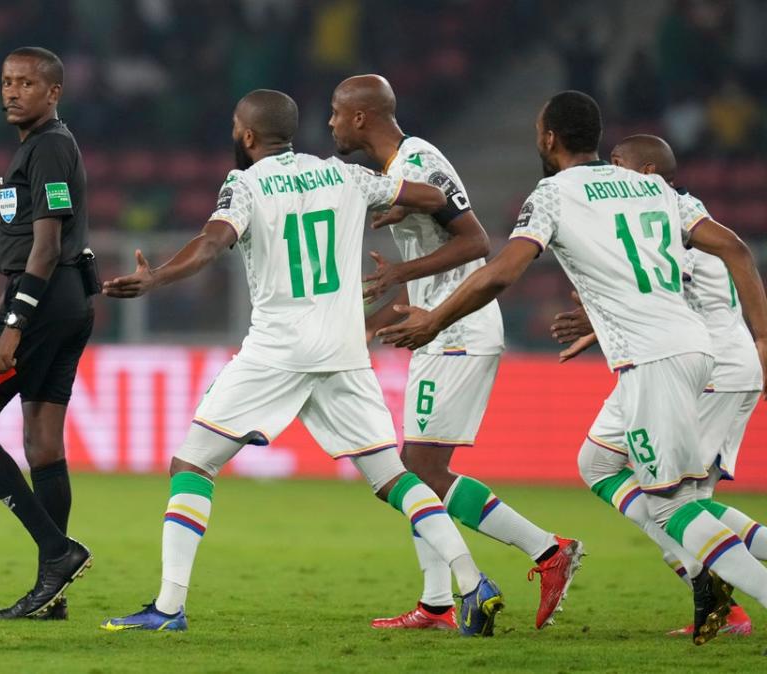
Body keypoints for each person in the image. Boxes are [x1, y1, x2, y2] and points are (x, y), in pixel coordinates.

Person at [99, 89, 504, 635]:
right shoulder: (344, 175)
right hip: (342, 350)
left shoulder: (244, 184)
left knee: (193, 464)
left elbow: (212, 242)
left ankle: (168, 608)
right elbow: (433, 195)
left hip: (278, 350)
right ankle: (472, 580)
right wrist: (409, 204)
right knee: (393, 477)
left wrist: (157, 277)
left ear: (246, 135)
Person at [376, 90, 767, 646]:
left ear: (549, 138)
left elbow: (502, 272)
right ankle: (717, 589)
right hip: (689, 346)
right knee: (603, 464)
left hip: (655, 358)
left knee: (675, 506)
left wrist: (436, 319)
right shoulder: (652, 185)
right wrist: (762, 336)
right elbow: (734, 248)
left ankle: (733, 599)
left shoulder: (553, 195)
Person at [328, 74, 582, 631]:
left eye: (336, 114)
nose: (330, 124)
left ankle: (548, 551)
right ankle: (437, 603)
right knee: (417, 469)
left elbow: (476, 241)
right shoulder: (398, 174)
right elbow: (436, 258)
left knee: (416, 470)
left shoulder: (420, 159)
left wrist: (402, 271)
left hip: (459, 329)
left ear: (362, 118)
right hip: (437, 327)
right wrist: (370, 323)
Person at [551, 134, 765, 637]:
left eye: (619, 165)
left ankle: (724, 605)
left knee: (685, 505)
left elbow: (660, 277)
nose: (610, 172)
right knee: (599, 462)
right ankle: (706, 584)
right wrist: (598, 325)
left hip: (705, 365)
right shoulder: (668, 210)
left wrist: (763, 338)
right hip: (671, 356)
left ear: (647, 171)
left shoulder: (670, 214)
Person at [0, 47, 95, 620]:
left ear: (53, 91)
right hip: (65, 301)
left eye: (26, 83)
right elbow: (33, 253)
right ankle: (51, 592)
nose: (12, 91)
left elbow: (47, 245)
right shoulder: (39, 146)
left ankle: (58, 553)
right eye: (7, 81)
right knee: (42, 443)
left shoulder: (51, 145)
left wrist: (11, 327)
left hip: (45, 304)